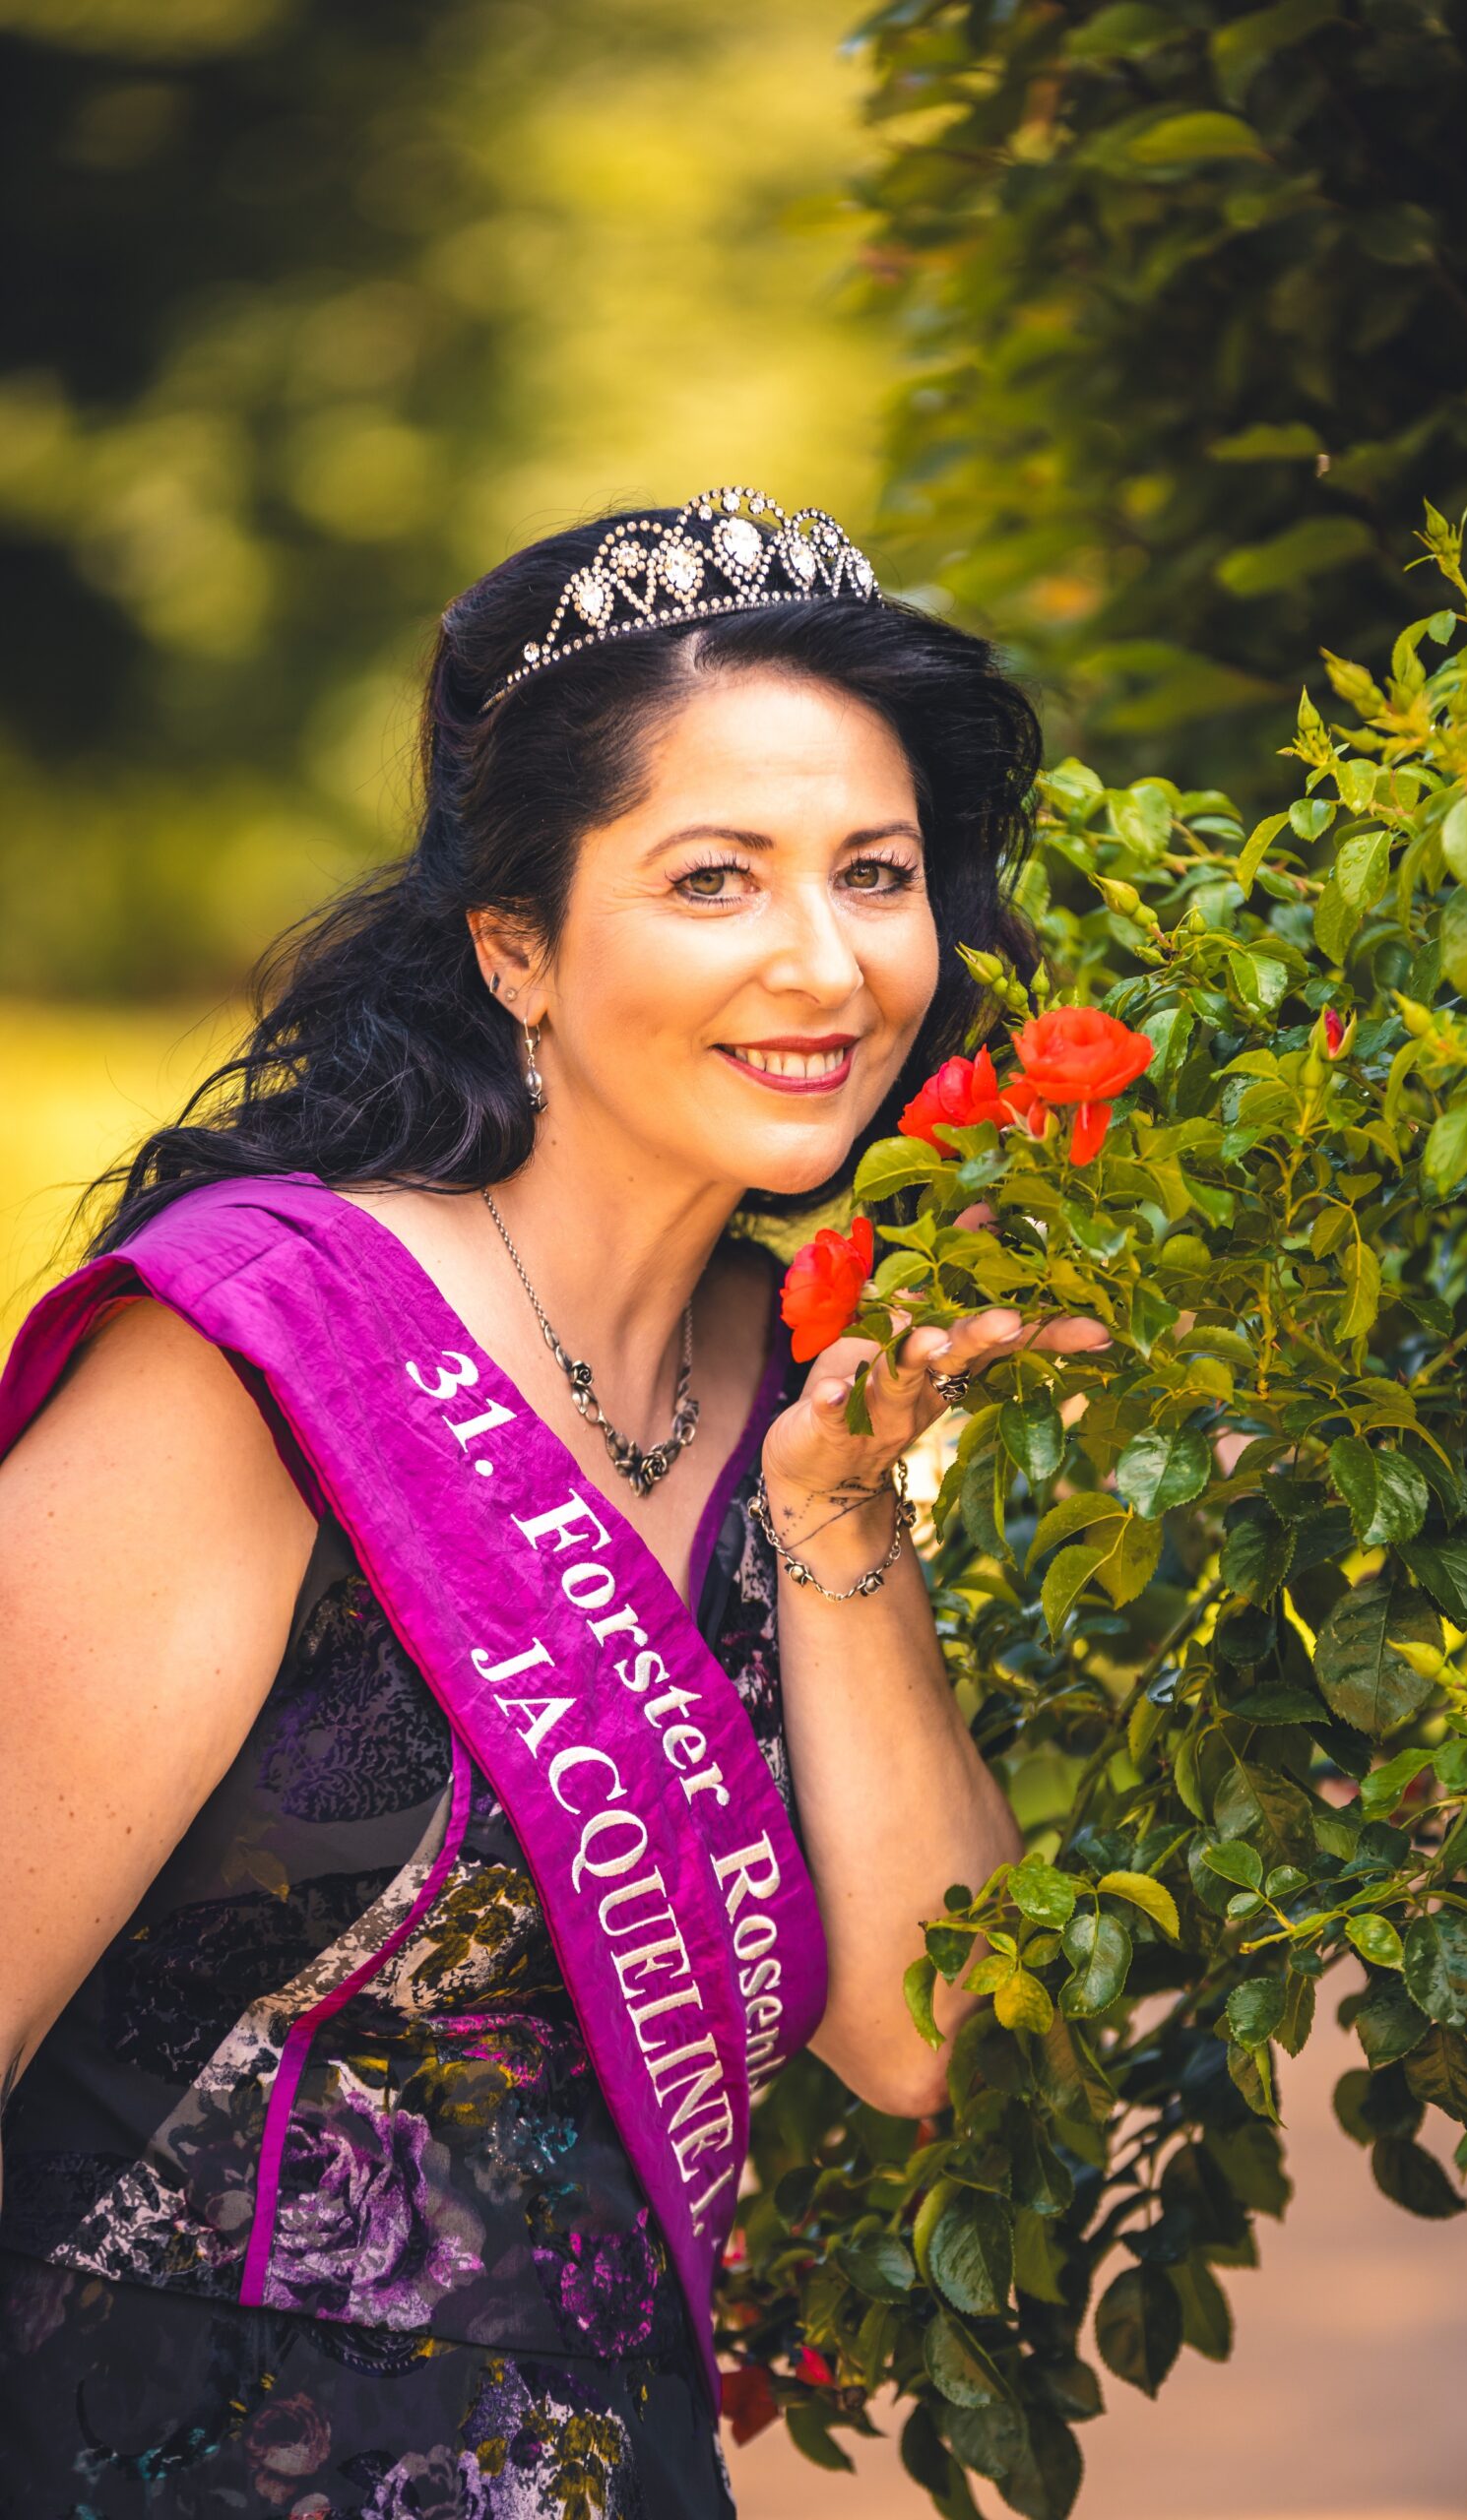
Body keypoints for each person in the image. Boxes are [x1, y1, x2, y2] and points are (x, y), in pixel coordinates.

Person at [0, 485, 1110, 2516]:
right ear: (514, 943)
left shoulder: (796, 1378)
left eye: (875, 872)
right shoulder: (256, 1352)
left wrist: (840, 1530)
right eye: (714, 878)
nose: (824, 960)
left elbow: (921, 2030)